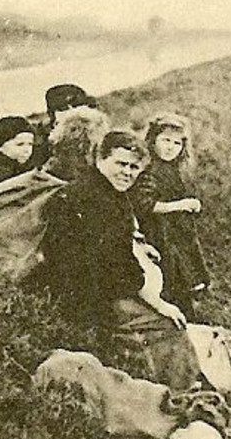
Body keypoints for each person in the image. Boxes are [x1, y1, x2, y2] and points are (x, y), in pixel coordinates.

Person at [32, 129, 197, 388]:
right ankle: (179, 392)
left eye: (134, 168)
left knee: (161, 306)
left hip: (89, 286)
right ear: (100, 159)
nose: (127, 173)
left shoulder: (103, 191)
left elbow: (113, 248)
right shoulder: (96, 199)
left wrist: (138, 248)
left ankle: (164, 379)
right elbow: (116, 267)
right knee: (168, 323)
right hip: (85, 298)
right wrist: (156, 302)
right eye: (120, 164)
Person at [132, 113, 211, 317]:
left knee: (179, 278)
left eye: (176, 143)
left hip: (173, 233)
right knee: (166, 278)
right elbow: (144, 205)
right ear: (153, 140)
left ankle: (186, 317)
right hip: (157, 233)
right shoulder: (148, 168)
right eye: (165, 140)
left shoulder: (170, 168)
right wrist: (181, 205)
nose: (170, 147)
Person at [31, 83, 98, 172]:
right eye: (63, 109)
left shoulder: (95, 130)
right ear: (53, 114)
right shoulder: (42, 140)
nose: (73, 113)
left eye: (77, 106)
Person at [0, 115, 36, 199]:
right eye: (20, 144)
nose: (27, 150)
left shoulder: (23, 165)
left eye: (30, 144)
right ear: (0, 147)